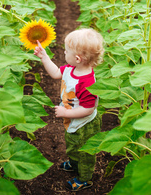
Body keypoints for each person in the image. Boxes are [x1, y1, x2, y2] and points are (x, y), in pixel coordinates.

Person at [34, 28, 104, 191]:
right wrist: (44, 57)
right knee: (72, 145)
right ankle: (74, 163)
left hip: (84, 125)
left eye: (66, 51)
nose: (64, 53)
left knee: (85, 152)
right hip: (73, 120)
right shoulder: (71, 69)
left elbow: (88, 108)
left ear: (78, 58)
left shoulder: (86, 83)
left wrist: (66, 113)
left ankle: (85, 178)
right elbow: (56, 73)